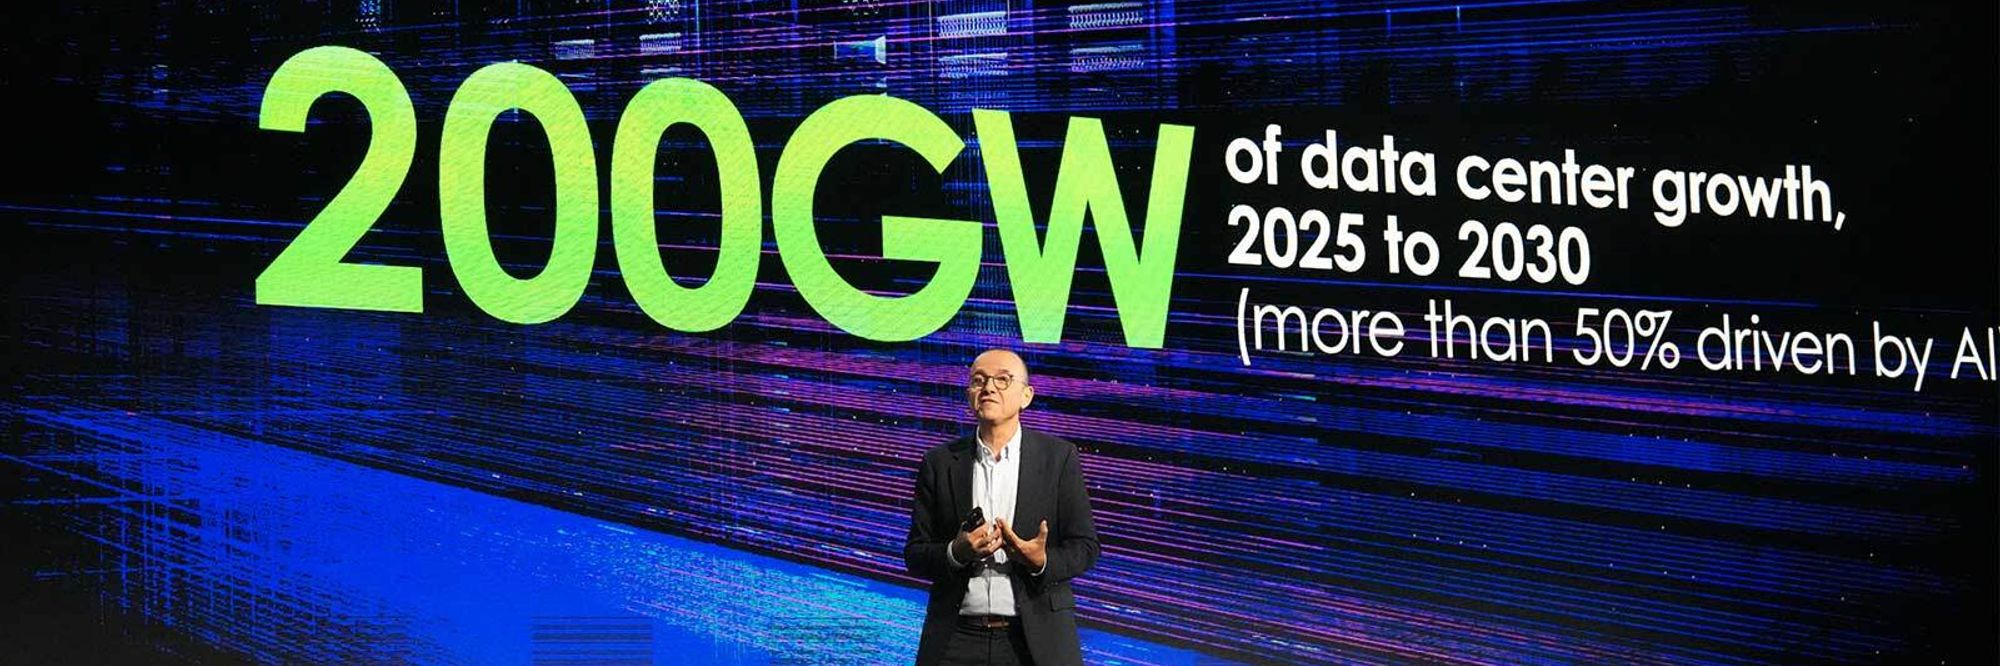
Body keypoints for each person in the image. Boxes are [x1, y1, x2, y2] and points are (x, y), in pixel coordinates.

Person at [903, 349, 1100, 666]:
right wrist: (956, 552)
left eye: (1002, 380)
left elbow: (1086, 547)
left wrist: (1041, 561)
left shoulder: (1059, 458)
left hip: (1035, 640)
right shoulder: (939, 462)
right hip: (955, 638)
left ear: (1026, 396)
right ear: (969, 395)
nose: (988, 388)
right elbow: (915, 553)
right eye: (978, 380)